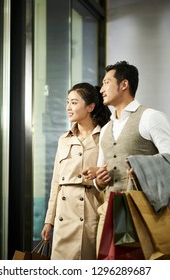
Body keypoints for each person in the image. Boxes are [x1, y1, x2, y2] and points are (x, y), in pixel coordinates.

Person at [83, 61, 170, 257]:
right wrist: (98, 180)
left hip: (144, 211)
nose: (101, 89)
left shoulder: (150, 117)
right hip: (111, 212)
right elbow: (101, 173)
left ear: (124, 84)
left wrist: (140, 167)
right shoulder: (105, 130)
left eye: (106, 82)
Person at [41, 82, 111, 260]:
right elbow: (56, 182)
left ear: (90, 107)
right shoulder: (63, 139)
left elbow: (112, 175)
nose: (68, 108)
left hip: (90, 212)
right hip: (64, 216)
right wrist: (49, 220)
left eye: (73, 102)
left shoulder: (104, 137)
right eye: (67, 102)